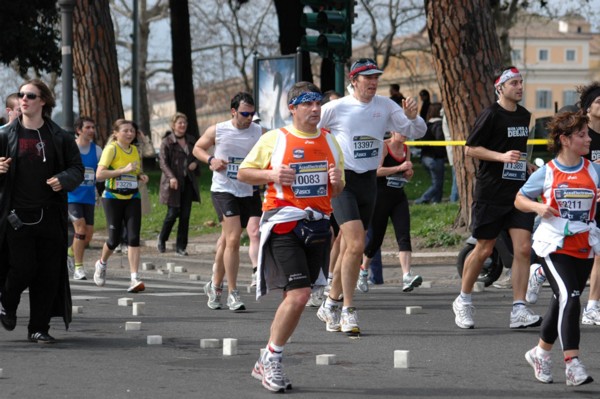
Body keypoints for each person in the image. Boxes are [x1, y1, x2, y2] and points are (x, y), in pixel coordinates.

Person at [237, 81, 344, 392]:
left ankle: (266, 357)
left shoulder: (329, 141)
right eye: (308, 104)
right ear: (293, 108)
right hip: (284, 224)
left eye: (318, 104)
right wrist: (271, 174)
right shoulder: (276, 139)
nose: (315, 109)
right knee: (299, 296)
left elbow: (338, 189)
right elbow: (244, 172)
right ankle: (272, 358)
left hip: (318, 227)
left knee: (294, 298)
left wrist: (336, 183)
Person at [316, 58, 426, 335]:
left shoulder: (386, 106)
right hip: (343, 181)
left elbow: (416, 131)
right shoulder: (337, 107)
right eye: (367, 78)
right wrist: (320, 161)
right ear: (354, 81)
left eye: (376, 77)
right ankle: (348, 310)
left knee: (347, 248)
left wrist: (412, 117)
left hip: (369, 182)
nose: (373, 82)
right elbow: (306, 128)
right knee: (355, 244)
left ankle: (330, 302)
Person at [452, 66, 541, 330]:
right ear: (500, 88)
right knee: (484, 249)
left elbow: (517, 151)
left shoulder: (524, 116)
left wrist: (525, 166)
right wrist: (500, 157)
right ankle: (464, 300)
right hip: (491, 191)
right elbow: (470, 149)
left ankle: (519, 309)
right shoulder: (490, 114)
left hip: (517, 193)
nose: (519, 87)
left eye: (521, 83)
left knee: (524, 249)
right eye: (514, 83)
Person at [516, 110, 597, 386]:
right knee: (572, 298)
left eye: (588, 134)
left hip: (583, 247)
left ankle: (540, 353)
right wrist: (539, 206)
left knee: (561, 299)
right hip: (553, 246)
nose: (588, 139)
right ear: (565, 139)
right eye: (582, 135)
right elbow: (519, 200)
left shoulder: (593, 170)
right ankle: (572, 364)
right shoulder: (548, 172)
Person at [0, 79, 84, 343]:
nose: (24, 99)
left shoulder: (59, 136)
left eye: (30, 95)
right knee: (23, 268)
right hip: (16, 216)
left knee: (48, 274)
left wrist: (65, 179)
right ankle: (7, 302)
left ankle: (38, 327)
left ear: (43, 101)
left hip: (51, 214)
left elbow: (77, 169)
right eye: (21, 95)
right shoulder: (5, 136)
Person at [193, 92, 263, 311]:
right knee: (233, 239)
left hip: (248, 189)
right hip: (224, 189)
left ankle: (214, 285)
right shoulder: (218, 129)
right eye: (245, 113)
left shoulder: (260, 131)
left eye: (252, 114)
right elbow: (197, 148)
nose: (249, 118)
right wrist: (211, 160)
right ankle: (233, 292)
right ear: (233, 111)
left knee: (225, 240)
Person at [357, 131, 422, 292]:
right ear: (393, 131)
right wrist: (399, 167)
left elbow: (407, 175)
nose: (405, 134)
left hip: (398, 197)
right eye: (402, 131)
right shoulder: (384, 147)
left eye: (407, 131)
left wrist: (409, 174)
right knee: (376, 239)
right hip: (380, 197)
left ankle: (407, 276)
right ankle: (363, 270)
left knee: (404, 235)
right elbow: (376, 171)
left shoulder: (406, 149)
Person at [93, 119, 149, 293]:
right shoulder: (112, 149)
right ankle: (101, 263)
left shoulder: (135, 150)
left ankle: (134, 278)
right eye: (125, 131)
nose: (129, 133)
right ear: (115, 133)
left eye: (132, 131)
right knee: (114, 239)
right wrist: (122, 171)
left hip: (132, 197)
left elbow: (135, 171)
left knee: (133, 238)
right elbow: (99, 174)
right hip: (112, 197)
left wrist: (141, 176)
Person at [157, 112, 200, 256]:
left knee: (185, 215)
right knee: (172, 213)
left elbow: (199, 154)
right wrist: (171, 177)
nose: (183, 125)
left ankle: (181, 247)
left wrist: (195, 163)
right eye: (179, 123)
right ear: (173, 125)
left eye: (185, 123)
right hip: (173, 184)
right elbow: (163, 163)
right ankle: (162, 238)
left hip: (188, 182)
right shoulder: (167, 142)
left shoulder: (191, 140)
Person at [67, 117, 103, 280]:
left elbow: (100, 176)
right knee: (80, 229)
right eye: (88, 127)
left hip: (88, 197)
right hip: (71, 196)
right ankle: (78, 268)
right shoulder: (69, 147)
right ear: (79, 130)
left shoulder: (97, 151)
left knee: (87, 236)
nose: (91, 130)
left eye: (93, 127)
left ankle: (69, 251)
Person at [415, 103, 446, 204]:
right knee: (437, 183)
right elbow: (440, 142)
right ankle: (422, 200)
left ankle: (436, 202)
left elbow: (418, 142)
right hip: (434, 158)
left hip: (425, 157)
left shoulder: (426, 125)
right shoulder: (439, 125)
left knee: (437, 182)